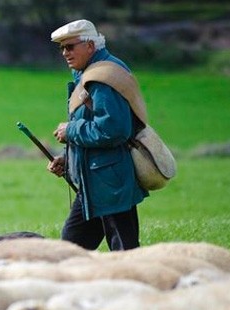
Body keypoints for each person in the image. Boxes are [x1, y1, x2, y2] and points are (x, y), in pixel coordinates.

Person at [47, 19, 148, 251]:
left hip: (110, 184)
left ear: (90, 46)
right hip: (93, 182)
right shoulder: (91, 72)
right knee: (70, 250)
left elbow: (113, 130)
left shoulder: (104, 77)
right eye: (62, 48)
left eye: (70, 46)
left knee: (125, 253)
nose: (65, 53)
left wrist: (70, 130)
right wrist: (67, 158)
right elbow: (92, 123)